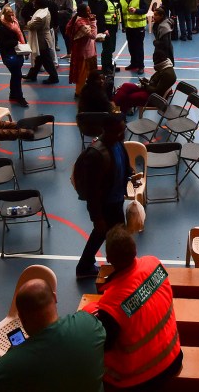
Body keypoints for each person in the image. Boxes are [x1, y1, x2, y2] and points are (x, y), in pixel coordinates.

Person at [84, 226, 182, 388]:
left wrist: (90, 312)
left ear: (108, 258)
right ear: (135, 250)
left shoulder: (112, 303)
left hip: (141, 379)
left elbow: (104, 345)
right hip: (173, 357)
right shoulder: (154, 264)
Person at [0, 277, 106, 392]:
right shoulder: (90, 324)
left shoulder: (7, 368)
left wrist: (15, 354)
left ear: (21, 317)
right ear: (55, 297)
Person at [75, 116, 134, 277]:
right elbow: (91, 192)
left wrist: (130, 175)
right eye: (120, 131)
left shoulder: (118, 144)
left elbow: (124, 166)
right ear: (108, 131)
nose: (123, 134)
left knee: (105, 234)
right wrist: (97, 218)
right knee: (108, 234)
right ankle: (89, 266)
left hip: (116, 200)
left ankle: (86, 265)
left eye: (124, 130)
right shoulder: (96, 155)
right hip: (105, 204)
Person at [113, 51, 177, 114]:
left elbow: (156, 91)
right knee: (126, 86)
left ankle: (117, 114)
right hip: (150, 89)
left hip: (154, 97)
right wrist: (147, 82)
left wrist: (145, 85)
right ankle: (115, 110)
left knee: (129, 97)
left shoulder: (167, 74)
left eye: (155, 60)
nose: (154, 62)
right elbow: (156, 82)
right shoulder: (164, 67)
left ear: (160, 60)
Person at [0, 7, 29, 107]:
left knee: (15, 75)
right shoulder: (0, 28)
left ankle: (13, 94)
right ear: (4, 15)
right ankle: (20, 97)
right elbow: (0, 44)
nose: (11, 17)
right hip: (8, 54)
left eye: (12, 14)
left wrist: (25, 48)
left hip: (18, 52)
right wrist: (15, 42)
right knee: (17, 74)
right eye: (8, 15)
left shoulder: (16, 23)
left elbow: (21, 34)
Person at [25, 0, 60, 85]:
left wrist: (29, 22)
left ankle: (54, 77)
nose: (33, 3)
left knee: (46, 60)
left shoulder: (41, 16)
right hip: (43, 38)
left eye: (35, 2)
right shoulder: (44, 11)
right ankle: (32, 75)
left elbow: (31, 26)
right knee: (38, 58)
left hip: (41, 40)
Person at [67, 4, 98, 98]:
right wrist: (93, 22)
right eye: (87, 11)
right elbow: (93, 35)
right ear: (81, 12)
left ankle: (91, 90)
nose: (90, 13)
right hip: (83, 53)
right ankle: (79, 92)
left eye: (90, 10)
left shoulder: (84, 19)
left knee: (91, 74)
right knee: (82, 74)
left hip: (90, 51)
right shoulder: (80, 23)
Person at [120, 0, 148, 74]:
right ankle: (134, 63)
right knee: (131, 46)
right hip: (129, 27)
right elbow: (122, 13)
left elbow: (145, 10)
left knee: (139, 47)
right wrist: (123, 26)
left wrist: (136, 10)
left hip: (138, 27)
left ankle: (141, 66)